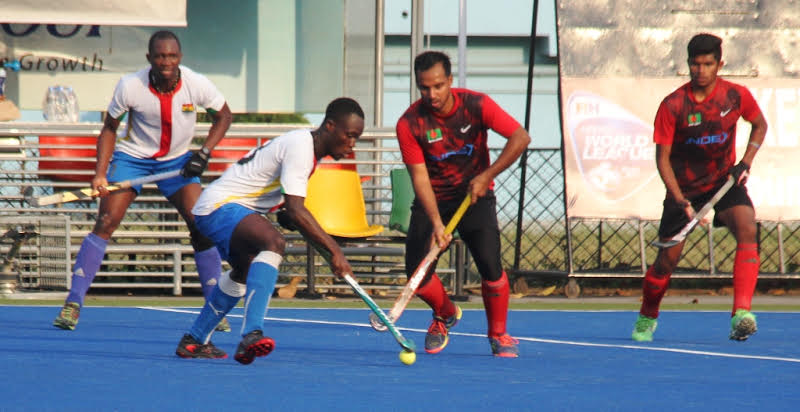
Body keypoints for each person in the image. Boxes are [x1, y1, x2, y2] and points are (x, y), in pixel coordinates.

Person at [53, 30, 233, 331]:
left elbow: (224, 116)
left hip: (177, 163)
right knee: (107, 220)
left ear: (180, 58)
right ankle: (73, 303)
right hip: (132, 159)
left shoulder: (196, 83)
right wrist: (100, 173)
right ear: (149, 58)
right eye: (160, 56)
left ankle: (214, 307)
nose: (166, 61)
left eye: (172, 56)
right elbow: (110, 129)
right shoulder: (130, 86)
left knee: (201, 224)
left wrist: (203, 152)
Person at [175, 97, 363, 364]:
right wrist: (335, 251)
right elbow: (298, 210)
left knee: (243, 272)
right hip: (221, 206)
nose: (352, 144)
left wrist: (285, 214)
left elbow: (281, 202)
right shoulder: (302, 147)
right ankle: (251, 333)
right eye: (350, 135)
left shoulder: (305, 149)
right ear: (330, 126)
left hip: (220, 207)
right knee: (273, 242)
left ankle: (194, 340)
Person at [631, 33, 768, 342]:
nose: (701, 70)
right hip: (685, 190)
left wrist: (745, 161)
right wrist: (679, 199)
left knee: (748, 228)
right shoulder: (674, 105)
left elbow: (760, 125)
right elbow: (662, 159)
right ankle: (647, 314)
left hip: (723, 183)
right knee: (665, 263)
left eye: (708, 64)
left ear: (719, 64)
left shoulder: (735, 96)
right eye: (695, 64)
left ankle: (741, 315)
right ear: (688, 65)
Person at [395, 51, 531, 357]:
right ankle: (444, 313)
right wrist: (436, 222)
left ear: (450, 81)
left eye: (438, 86)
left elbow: (520, 137)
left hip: (475, 196)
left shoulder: (476, 105)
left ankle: (498, 334)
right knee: (418, 275)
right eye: (424, 88)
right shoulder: (409, 123)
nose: (432, 94)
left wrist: (487, 176)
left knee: (490, 267)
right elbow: (419, 178)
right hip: (434, 198)